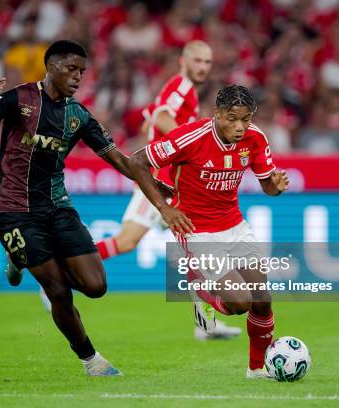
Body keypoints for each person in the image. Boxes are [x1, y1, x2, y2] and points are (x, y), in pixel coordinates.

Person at [0, 40, 165, 376]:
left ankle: (22, 259)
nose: (78, 76)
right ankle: (91, 360)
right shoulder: (19, 99)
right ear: (51, 65)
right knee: (57, 289)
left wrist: (154, 186)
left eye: (82, 71)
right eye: (71, 68)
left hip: (58, 207)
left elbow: (120, 161)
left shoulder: (78, 115)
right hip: (15, 211)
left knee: (96, 286)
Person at [128, 85, 289, 378]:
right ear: (216, 114)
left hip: (234, 225)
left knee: (263, 299)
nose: (239, 127)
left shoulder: (255, 138)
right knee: (241, 303)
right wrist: (164, 208)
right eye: (232, 119)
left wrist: (275, 188)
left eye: (245, 119)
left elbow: (267, 183)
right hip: (196, 230)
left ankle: (256, 369)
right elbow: (137, 162)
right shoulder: (191, 136)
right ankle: (201, 291)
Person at [95, 40, 241, 340]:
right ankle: (62, 270)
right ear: (183, 61)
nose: (203, 67)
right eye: (198, 61)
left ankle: (206, 325)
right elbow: (161, 116)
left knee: (195, 249)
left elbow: (151, 114)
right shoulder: (182, 86)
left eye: (207, 62)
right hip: (158, 184)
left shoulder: (181, 89)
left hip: (171, 185)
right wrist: (189, 140)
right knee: (127, 242)